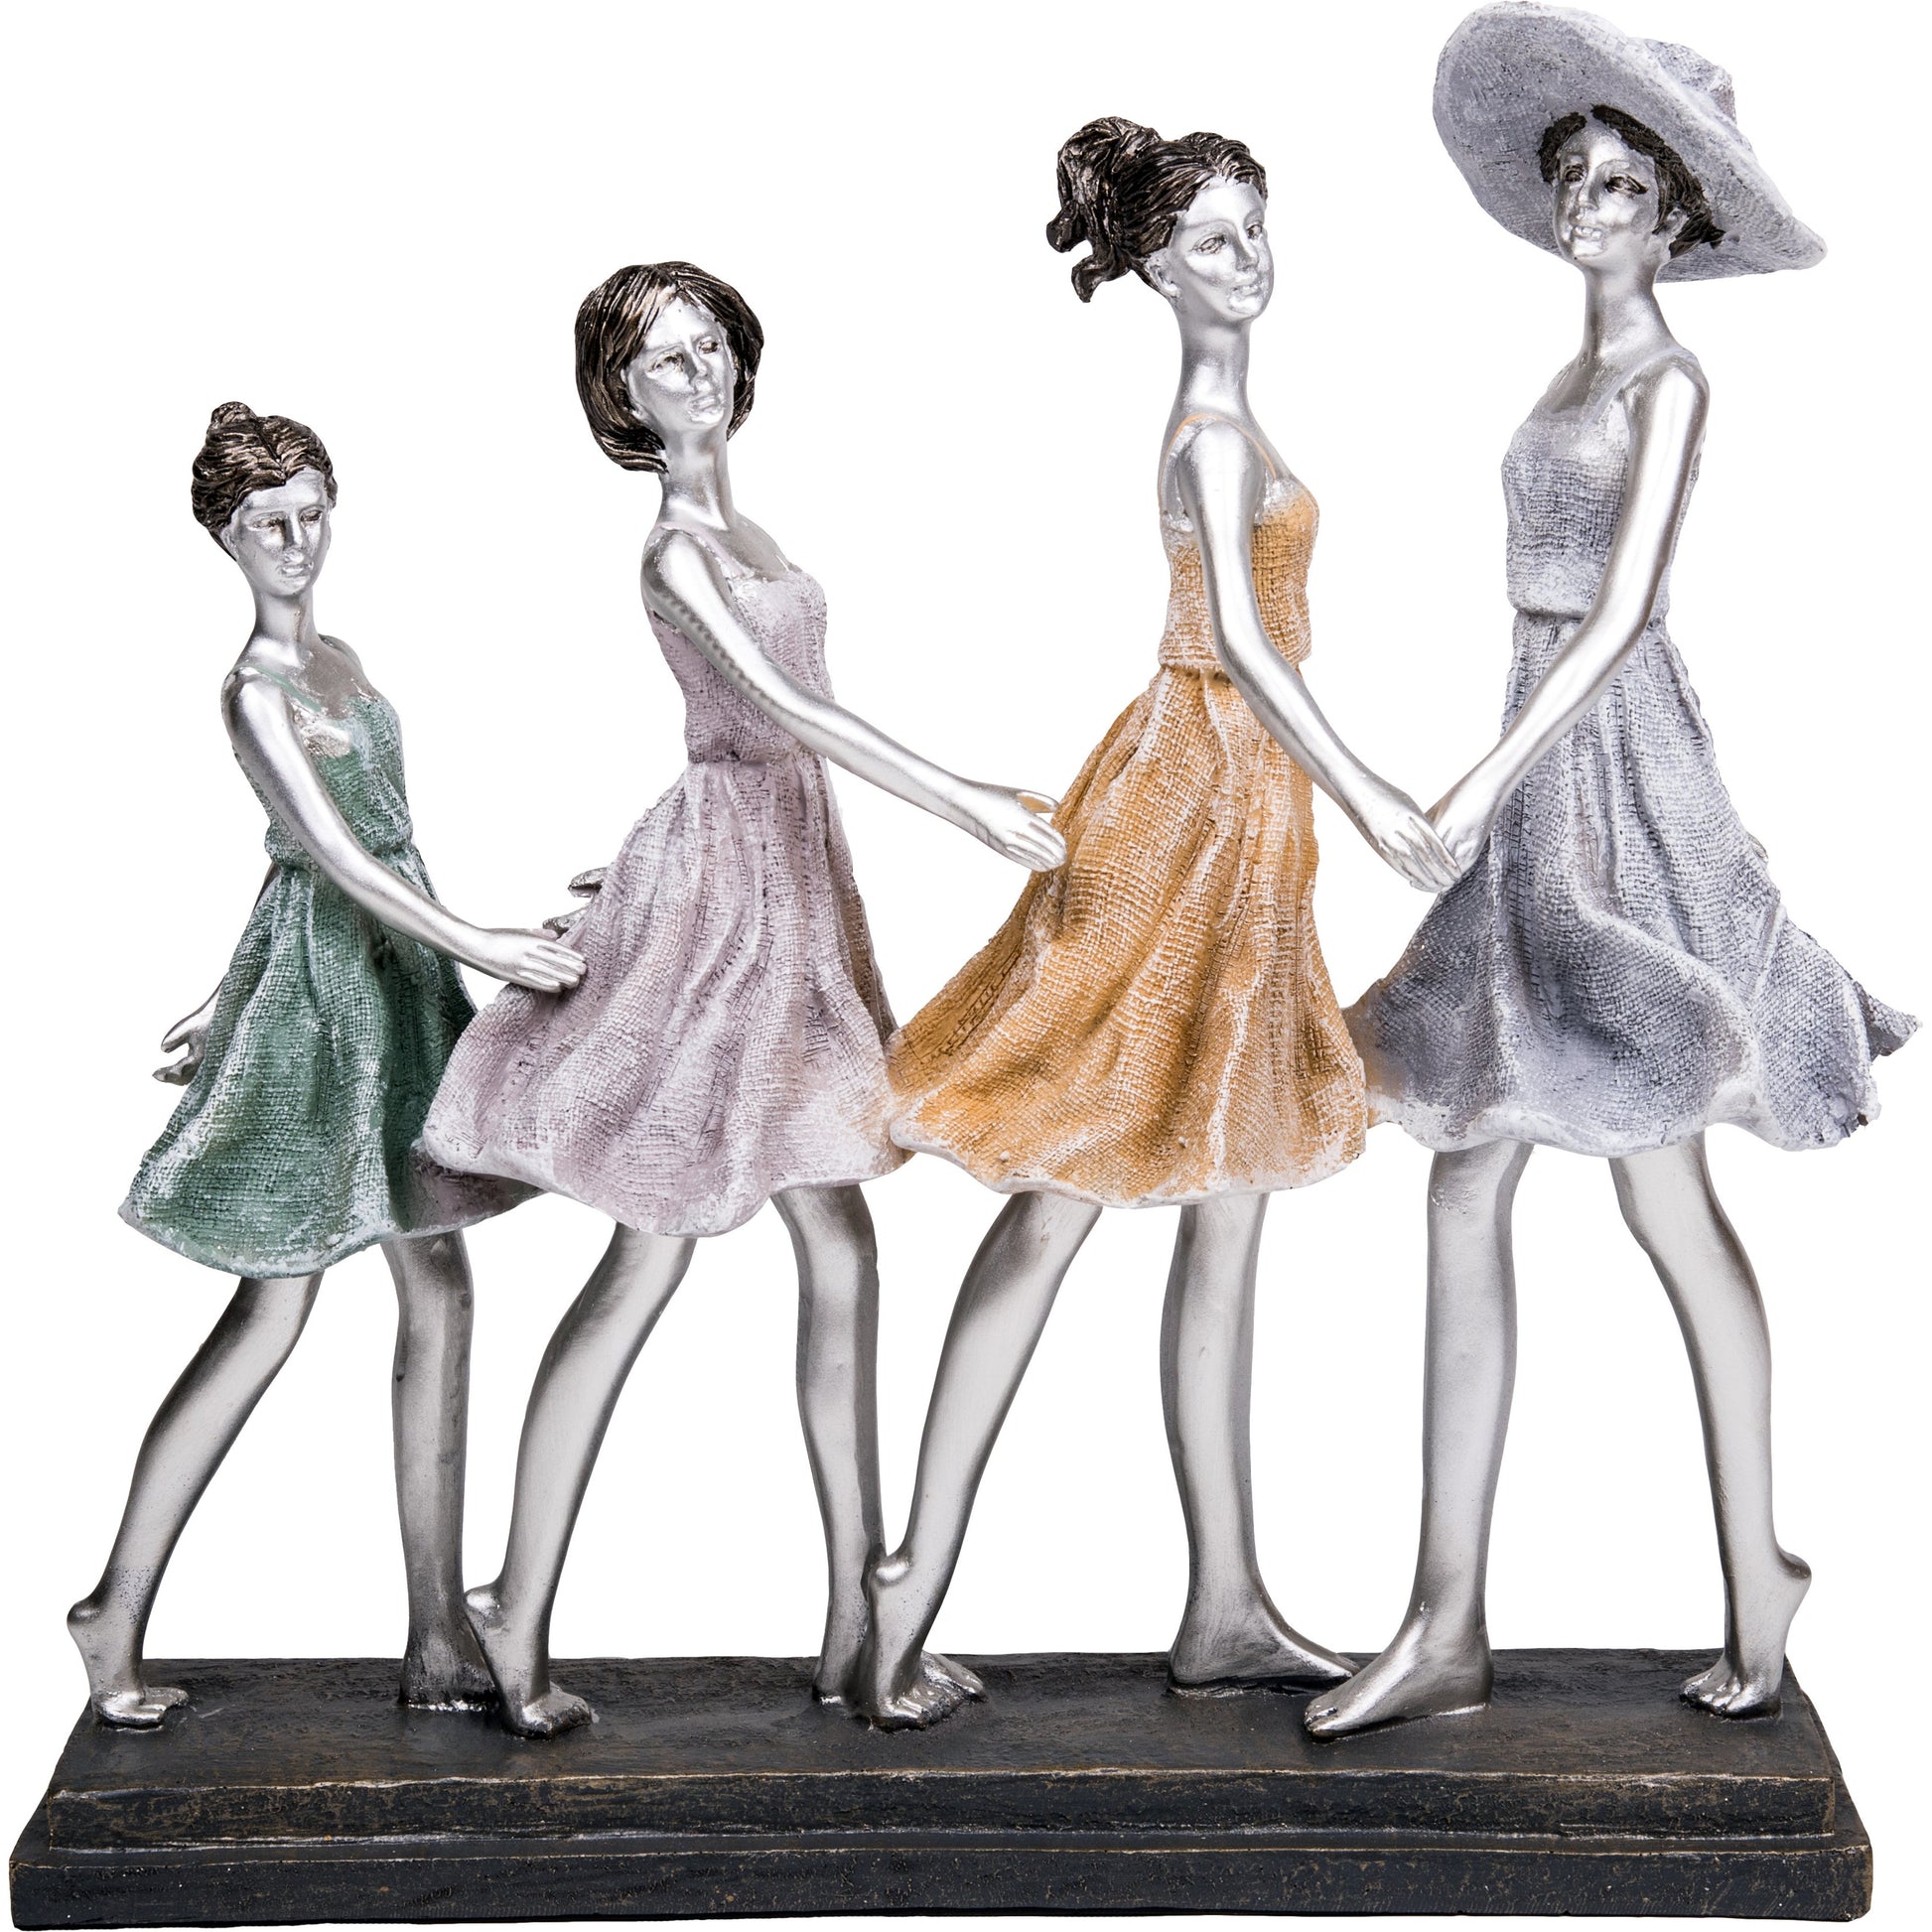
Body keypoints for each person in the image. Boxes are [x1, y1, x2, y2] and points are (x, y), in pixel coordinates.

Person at [1307, 3, 1914, 1737]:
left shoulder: (1668, 378)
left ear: (1673, 218)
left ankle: (1754, 1565)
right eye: (1572, 176)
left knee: (1662, 1186)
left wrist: (1484, 775)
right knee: (1465, 1177)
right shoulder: (1566, 376)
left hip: (1611, 768)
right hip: (1534, 743)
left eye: (1623, 183)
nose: (1587, 201)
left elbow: (1627, 603)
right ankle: (1443, 1616)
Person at [857, 119, 1459, 1728]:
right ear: (1149, 269)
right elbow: (1248, 651)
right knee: (1070, 1167)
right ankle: (907, 1578)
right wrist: (1374, 791)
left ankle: (1226, 1600)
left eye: (1255, 227)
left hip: (1244, 811)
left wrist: (1320, 801)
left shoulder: (1233, 413)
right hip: (1189, 800)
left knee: (1229, 1185)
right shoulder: (1205, 431)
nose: (1246, 259)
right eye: (1209, 240)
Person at [421, 262, 1066, 1734]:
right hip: (728, 901)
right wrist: (964, 800)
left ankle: (856, 1621)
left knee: (839, 1238)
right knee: (649, 1252)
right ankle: (516, 1599)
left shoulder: (746, 527)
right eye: (664, 358)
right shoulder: (674, 552)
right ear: (622, 395)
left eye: (710, 342)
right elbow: (788, 715)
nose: (698, 370)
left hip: (789, 871)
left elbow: (780, 730)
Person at [70, 403, 585, 1726]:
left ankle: (436, 1630)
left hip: (388, 987)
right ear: (226, 539)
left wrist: (223, 984)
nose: (296, 542)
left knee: (441, 1286)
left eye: (311, 514)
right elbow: (338, 866)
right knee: (272, 1310)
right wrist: (476, 938)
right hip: (329, 1016)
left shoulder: (340, 658)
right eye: (268, 525)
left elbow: (319, 857)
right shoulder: (252, 691)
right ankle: (115, 1605)